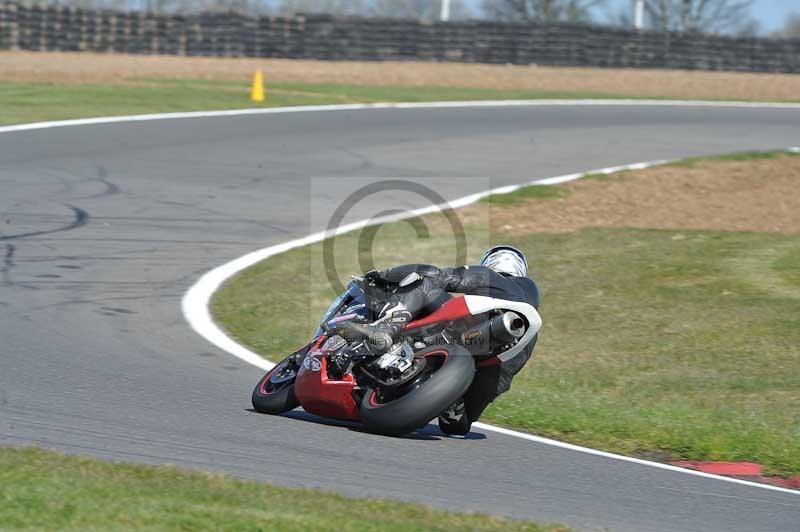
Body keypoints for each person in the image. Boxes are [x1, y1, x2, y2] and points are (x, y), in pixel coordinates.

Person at [361, 245, 541, 436]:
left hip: (476, 336)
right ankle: (453, 404)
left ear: (491, 262)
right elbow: (502, 380)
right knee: (457, 426)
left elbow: (440, 276)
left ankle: (385, 329)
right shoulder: (528, 333)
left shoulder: (497, 279)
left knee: (422, 285)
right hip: (494, 357)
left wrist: (385, 275)